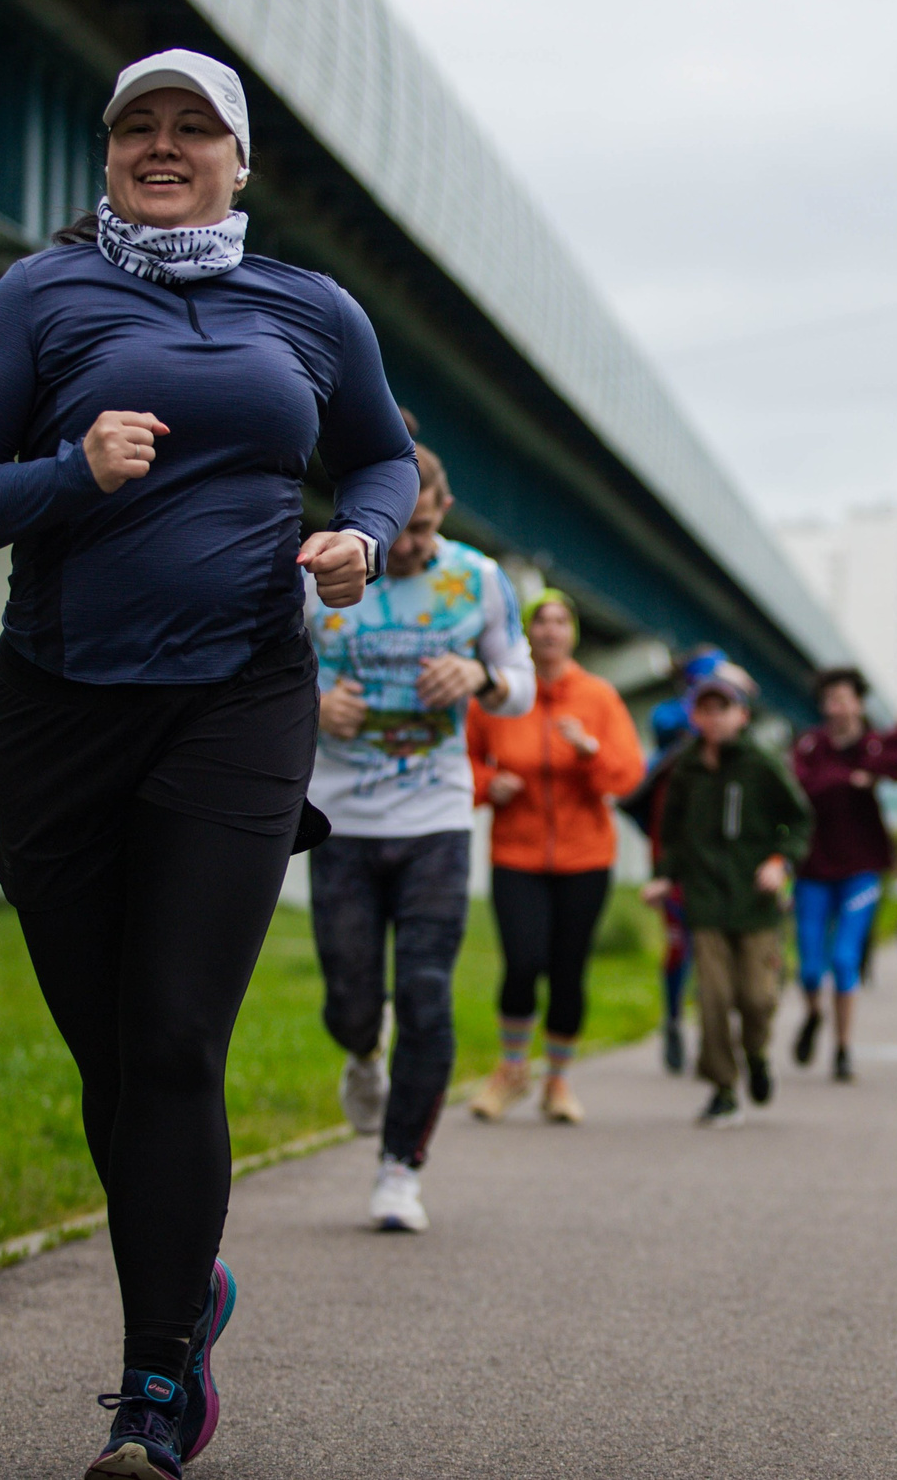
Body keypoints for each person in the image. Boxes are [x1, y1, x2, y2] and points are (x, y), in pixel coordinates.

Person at [0, 48, 419, 1479]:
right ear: (109, 150)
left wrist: (357, 540)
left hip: (242, 699)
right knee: (114, 1057)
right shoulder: (40, 295)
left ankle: (154, 1382)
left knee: (179, 1036)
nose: (166, 144)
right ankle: (188, 1281)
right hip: (61, 707)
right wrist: (72, 468)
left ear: (241, 160)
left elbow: (377, 456)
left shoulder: (310, 309)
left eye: (198, 127)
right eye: (140, 125)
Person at [310, 432, 535, 1235]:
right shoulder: (317, 573)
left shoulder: (476, 580)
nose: (405, 547)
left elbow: (521, 688)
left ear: (440, 509)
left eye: (420, 529)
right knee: (349, 997)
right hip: (340, 819)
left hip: (437, 814)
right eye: (393, 530)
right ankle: (363, 1052)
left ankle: (400, 1167)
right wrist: (312, 706)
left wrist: (481, 675)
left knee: (429, 994)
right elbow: (259, 678)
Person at [465, 589, 646, 1122]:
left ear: (573, 634)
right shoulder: (501, 695)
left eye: (561, 621)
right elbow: (463, 759)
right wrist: (487, 782)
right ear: (526, 633)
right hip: (516, 854)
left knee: (568, 972)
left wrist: (590, 752)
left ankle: (559, 1083)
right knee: (522, 963)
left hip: (584, 857)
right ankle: (511, 1071)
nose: (550, 630)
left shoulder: (599, 698)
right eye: (540, 621)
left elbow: (628, 775)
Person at [641, 667, 811, 1126]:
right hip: (705, 899)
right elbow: (672, 833)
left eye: (724, 709)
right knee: (714, 999)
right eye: (705, 709)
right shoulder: (687, 768)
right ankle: (721, 1087)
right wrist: (664, 875)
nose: (714, 719)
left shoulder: (761, 762)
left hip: (754, 902)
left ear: (742, 715)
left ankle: (755, 1054)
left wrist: (779, 861)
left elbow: (796, 820)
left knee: (756, 999)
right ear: (694, 716)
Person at [788, 668, 897, 1082]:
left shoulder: (874, 744)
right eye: (829, 700)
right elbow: (802, 786)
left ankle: (843, 1049)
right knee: (810, 967)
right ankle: (812, 1016)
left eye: (843, 699)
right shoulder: (809, 744)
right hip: (813, 868)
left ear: (859, 703)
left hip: (861, 869)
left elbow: (896, 760)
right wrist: (852, 779)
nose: (836, 707)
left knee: (844, 960)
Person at [619, 646, 729, 1074]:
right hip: (674, 857)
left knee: (714, 941)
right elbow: (668, 724)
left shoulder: (732, 730)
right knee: (680, 942)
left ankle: (711, 1028)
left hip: (718, 857)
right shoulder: (670, 716)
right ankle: (672, 1019)